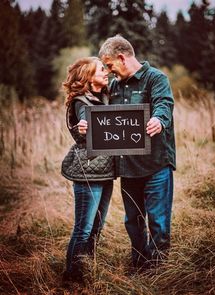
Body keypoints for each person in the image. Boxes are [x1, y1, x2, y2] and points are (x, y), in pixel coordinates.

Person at [98, 35, 176, 270]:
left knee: (158, 222)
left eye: (110, 65)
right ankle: (140, 264)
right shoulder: (113, 86)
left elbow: (165, 103)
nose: (109, 71)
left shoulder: (156, 78)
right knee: (132, 221)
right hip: (128, 168)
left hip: (156, 165)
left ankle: (158, 269)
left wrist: (158, 119)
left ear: (122, 58)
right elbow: (100, 115)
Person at [61, 57, 115, 284]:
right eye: (101, 70)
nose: (106, 72)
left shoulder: (105, 95)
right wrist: (82, 127)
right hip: (89, 171)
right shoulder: (81, 102)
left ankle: (86, 267)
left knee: (97, 226)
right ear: (88, 77)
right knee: (83, 228)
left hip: (106, 170)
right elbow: (82, 122)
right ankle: (71, 277)